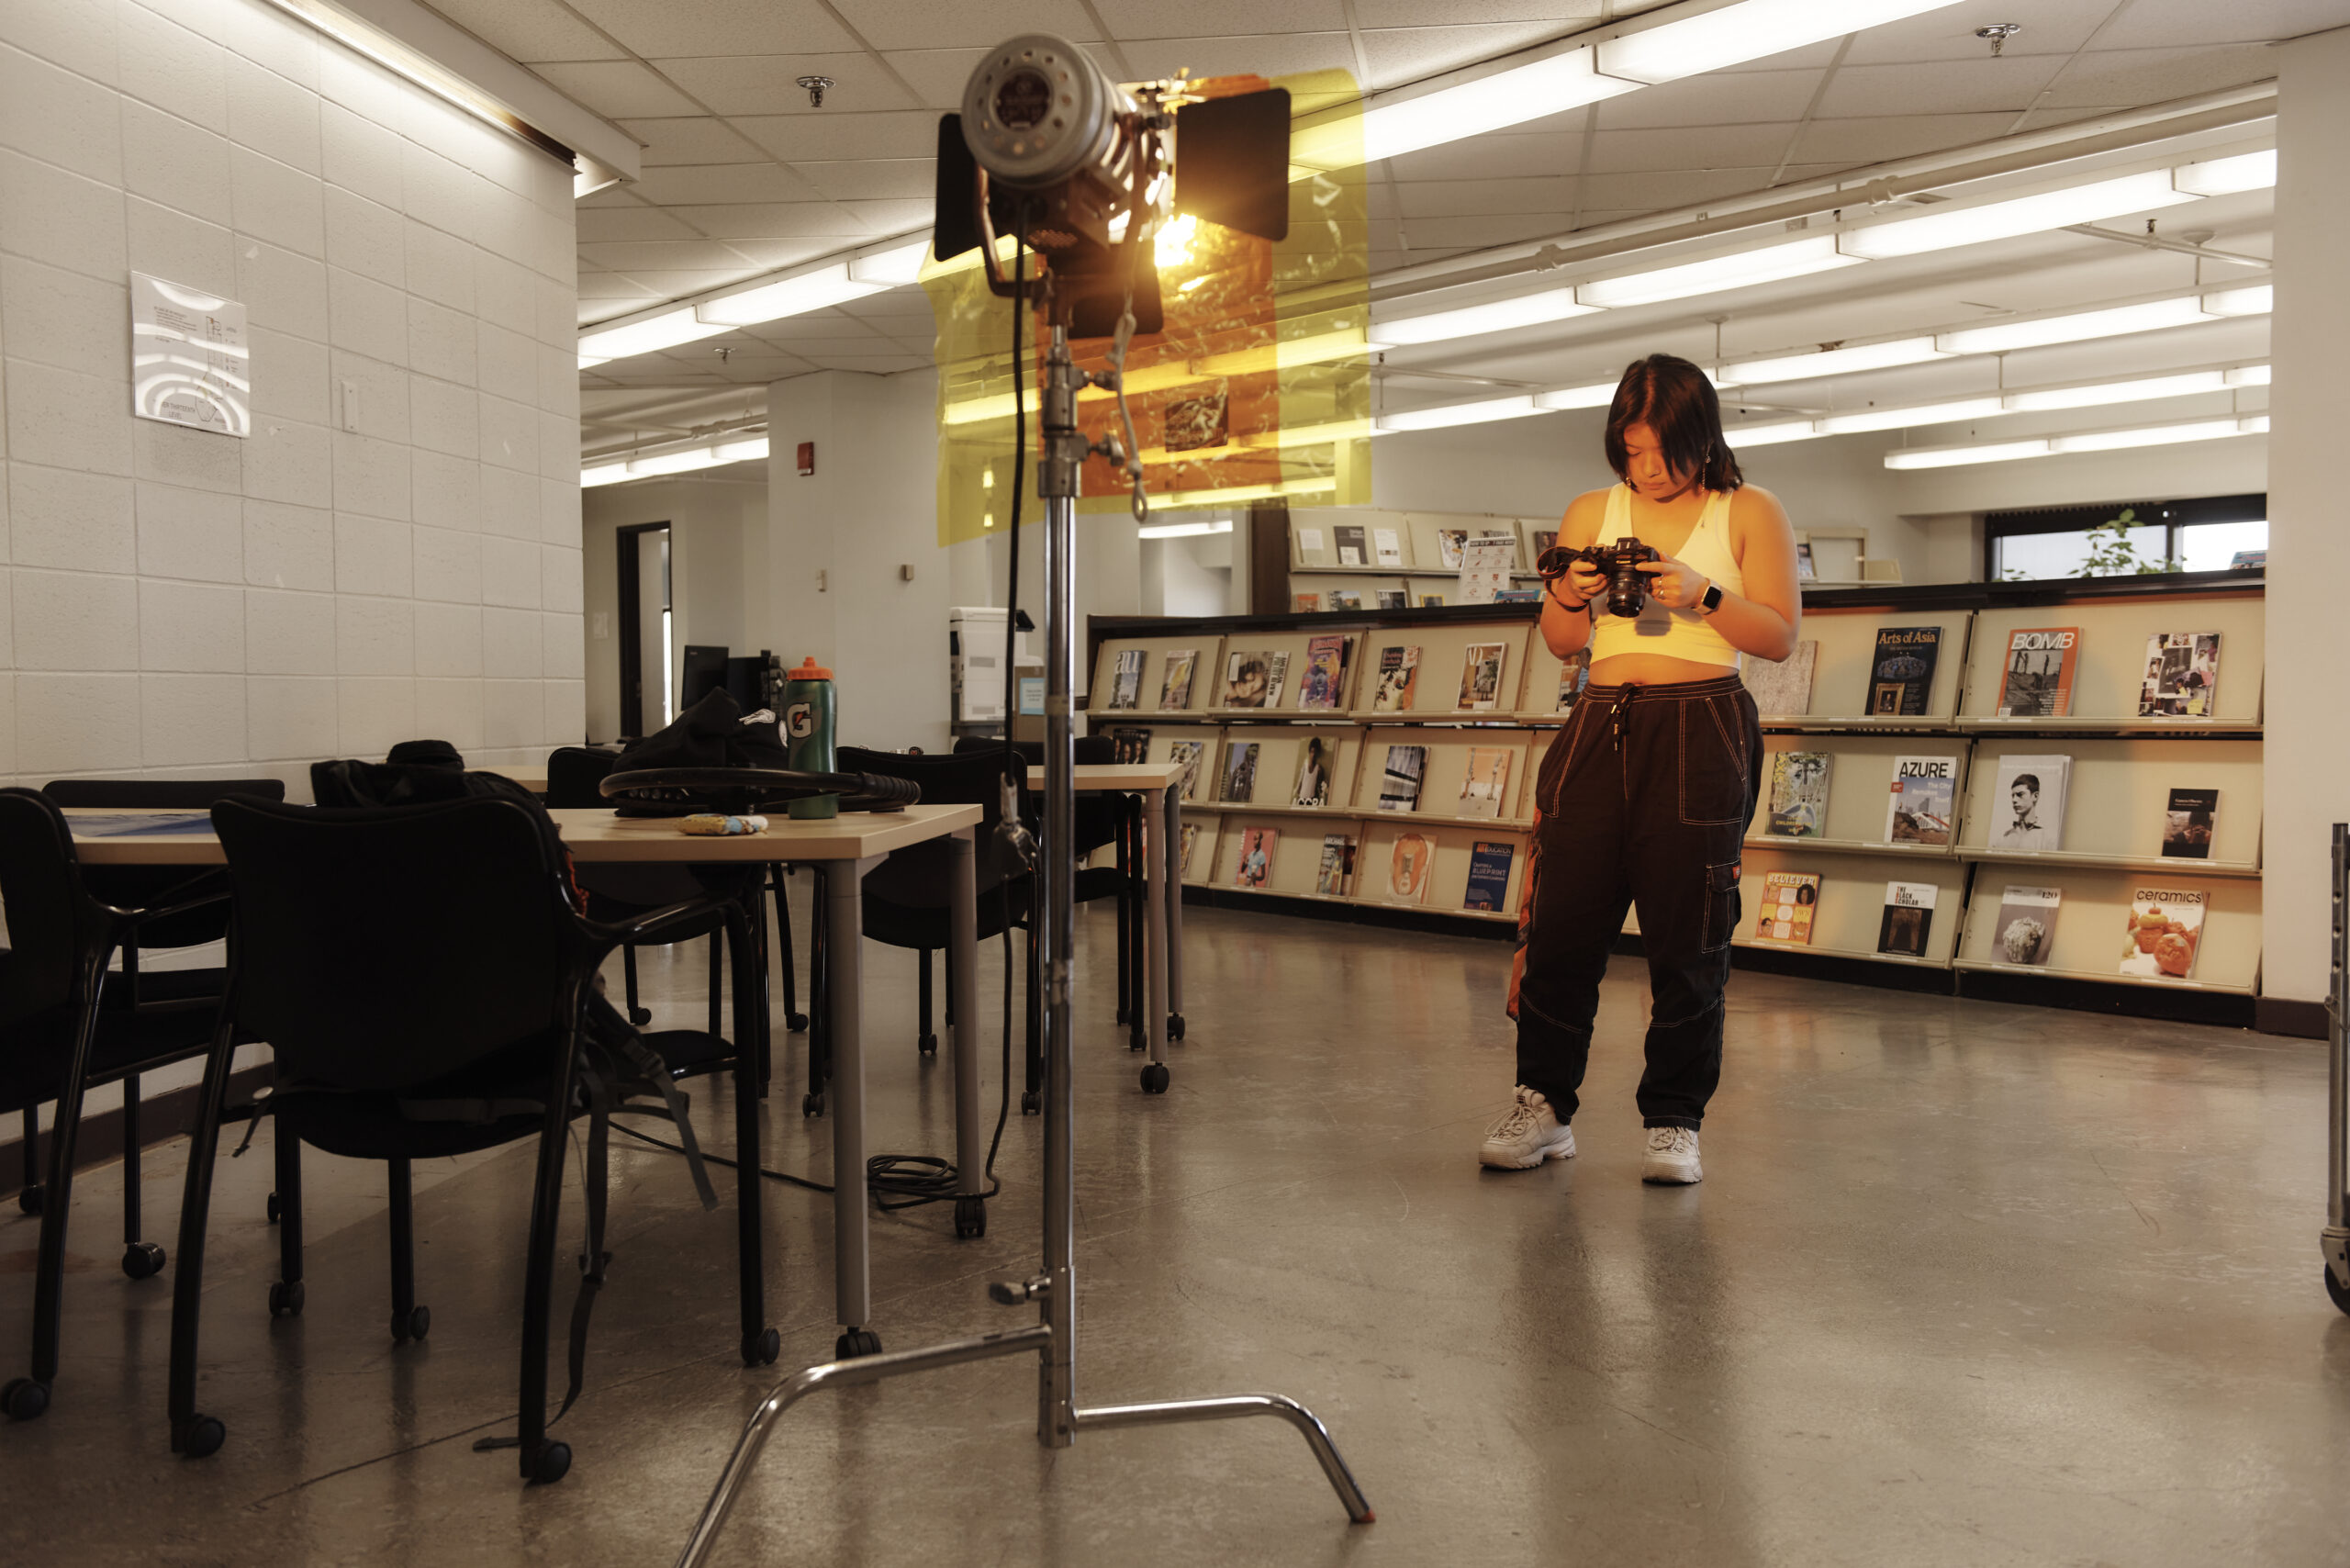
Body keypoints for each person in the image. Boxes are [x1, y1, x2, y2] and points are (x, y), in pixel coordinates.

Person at [1479, 353, 1799, 1186]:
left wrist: (1701, 595)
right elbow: (1561, 643)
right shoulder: (1594, 508)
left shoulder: (1748, 510)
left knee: (1687, 935)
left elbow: (1778, 636)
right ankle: (1543, 1104)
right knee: (1562, 926)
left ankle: (1673, 1120)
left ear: (1702, 437)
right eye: (1631, 451)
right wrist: (1573, 592)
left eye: (1662, 451)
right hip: (1597, 719)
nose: (1646, 470)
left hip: (1702, 723)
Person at [1993, 774, 2051, 850]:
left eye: (2020, 795)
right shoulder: (2004, 837)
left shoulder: (2046, 838)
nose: (2014, 800)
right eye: (2013, 796)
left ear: (2035, 796)